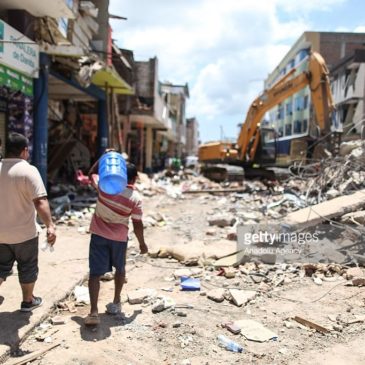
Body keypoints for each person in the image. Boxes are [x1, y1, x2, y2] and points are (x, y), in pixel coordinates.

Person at [85, 160, 148, 325]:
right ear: (134, 178)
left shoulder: (104, 187)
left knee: (95, 274)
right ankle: (116, 302)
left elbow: (91, 173)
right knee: (120, 269)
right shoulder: (135, 198)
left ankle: (93, 312)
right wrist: (142, 243)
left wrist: (102, 159)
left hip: (98, 236)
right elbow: (137, 224)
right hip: (119, 239)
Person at [0, 132, 56, 311]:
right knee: (28, 267)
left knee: (1, 267)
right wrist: (50, 225)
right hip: (25, 234)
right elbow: (40, 201)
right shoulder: (28, 171)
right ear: (24, 151)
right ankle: (28, 300)